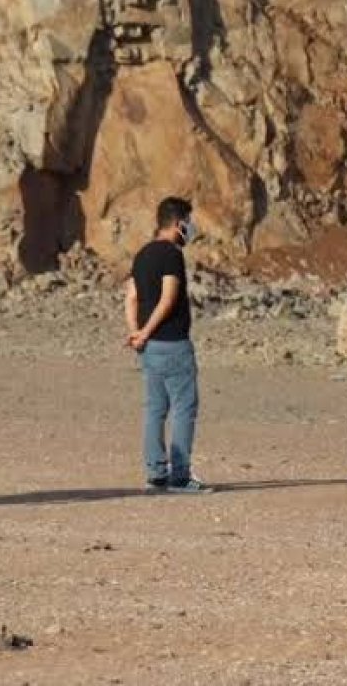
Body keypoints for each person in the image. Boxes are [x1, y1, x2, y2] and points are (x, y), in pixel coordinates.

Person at [125, 197, 209, 494]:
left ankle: (156, 473)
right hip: (172, 343)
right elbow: (168, 297)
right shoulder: (171, 256)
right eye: (188, 220)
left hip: (150, 349)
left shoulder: (142, 255)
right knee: (184, 408)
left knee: (155, 409)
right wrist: (145, 331)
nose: (191, 227)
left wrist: (136, 332)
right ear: (177, 223)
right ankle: (180, 475)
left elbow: (132, 296)